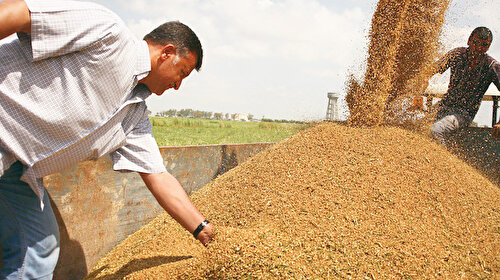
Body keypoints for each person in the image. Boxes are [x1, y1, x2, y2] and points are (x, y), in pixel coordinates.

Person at [0, 0, 214, 279]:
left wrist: (202, 229)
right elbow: (19, 13)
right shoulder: (107, 33)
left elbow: (158, 176)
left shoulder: (133, 116)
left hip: (18, 171)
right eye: (182, 73)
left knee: (39, 248)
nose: (178, 85)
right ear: (167, 53)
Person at [428, 26, 500, 143]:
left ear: (488, 47)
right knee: (418, 126)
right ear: (469, 41)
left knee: (435, 130)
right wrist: (424, 78)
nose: (478, 48)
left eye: (484, 45)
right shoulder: (457, 55)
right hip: (444, 105)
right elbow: (432, 69)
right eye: (475, 42)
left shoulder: (491, 66)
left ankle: (439, 159)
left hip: (463, 113)